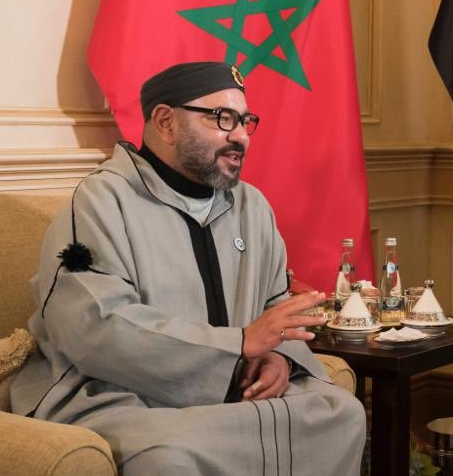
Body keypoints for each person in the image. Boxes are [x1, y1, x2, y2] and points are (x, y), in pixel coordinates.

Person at [10, 62, 366, 475]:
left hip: (235, 387)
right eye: (222, 118)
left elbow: (276, 307)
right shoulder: (101, 201)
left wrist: (277, 357)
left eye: (245, 121)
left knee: (341, 414)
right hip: (122, 394)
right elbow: (93, 326)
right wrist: (239, 344)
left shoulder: (252, 207)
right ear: (166, 122)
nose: (240, 136)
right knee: (169, 456)